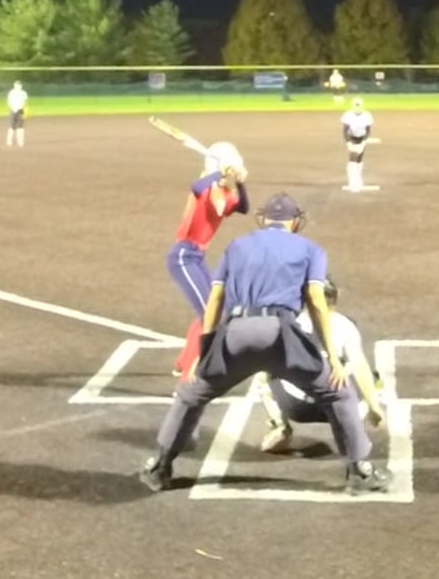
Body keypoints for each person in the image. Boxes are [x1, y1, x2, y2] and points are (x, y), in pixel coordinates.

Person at [138, 193, 390, 495]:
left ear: (264, 219)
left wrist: (204, 350)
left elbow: (215, 299)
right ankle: (360, 472)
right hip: (280, 336)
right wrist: (333, 359)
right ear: (294, 222)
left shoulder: (237, 246)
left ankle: (159, 467)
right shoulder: (310, 249)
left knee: (190, 395)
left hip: (236, 334)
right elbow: (316, 300)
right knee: (338, 393)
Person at [250, 276, 388, 454]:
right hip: (339, 406)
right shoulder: (345, 325)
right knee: (371, 376)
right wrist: (374, 406)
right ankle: (353, 432)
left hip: (296, 407)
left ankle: (280, 426)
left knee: (263, 372)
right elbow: (360, 368)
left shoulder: (289, 323)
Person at [167, 143, 249, 376]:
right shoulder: (203, 188)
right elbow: (197, 186)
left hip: (196, 258)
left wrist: (240, 183)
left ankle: (183, 363)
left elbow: (243, 207)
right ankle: (188, 379)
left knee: (213, 307)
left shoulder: (223, 193)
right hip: (183, 256)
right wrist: (220, 172)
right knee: (210, 316)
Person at [340, 98, 376, 192]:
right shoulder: (348, 115)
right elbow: (345, 131)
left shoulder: (367, 116)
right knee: (353, 159)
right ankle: (354, 183)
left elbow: (368, 131)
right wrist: (349, 143)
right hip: (351, 138)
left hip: (362, 138)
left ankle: (358, 179)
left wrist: (363, 143)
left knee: (359, 159)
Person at [6, 79, 28, 147]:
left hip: (20, 110)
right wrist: (12, 108)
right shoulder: (11, 92)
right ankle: (9, 140)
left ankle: (20, 141)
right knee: (12, 126)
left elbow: (24, 102)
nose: (19, 86)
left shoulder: (23, 93)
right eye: (17, 85)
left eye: (19, 85)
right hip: (13, 110)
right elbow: (9, 102)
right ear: (14, 85)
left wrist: (23, 110)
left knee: (20, 126)